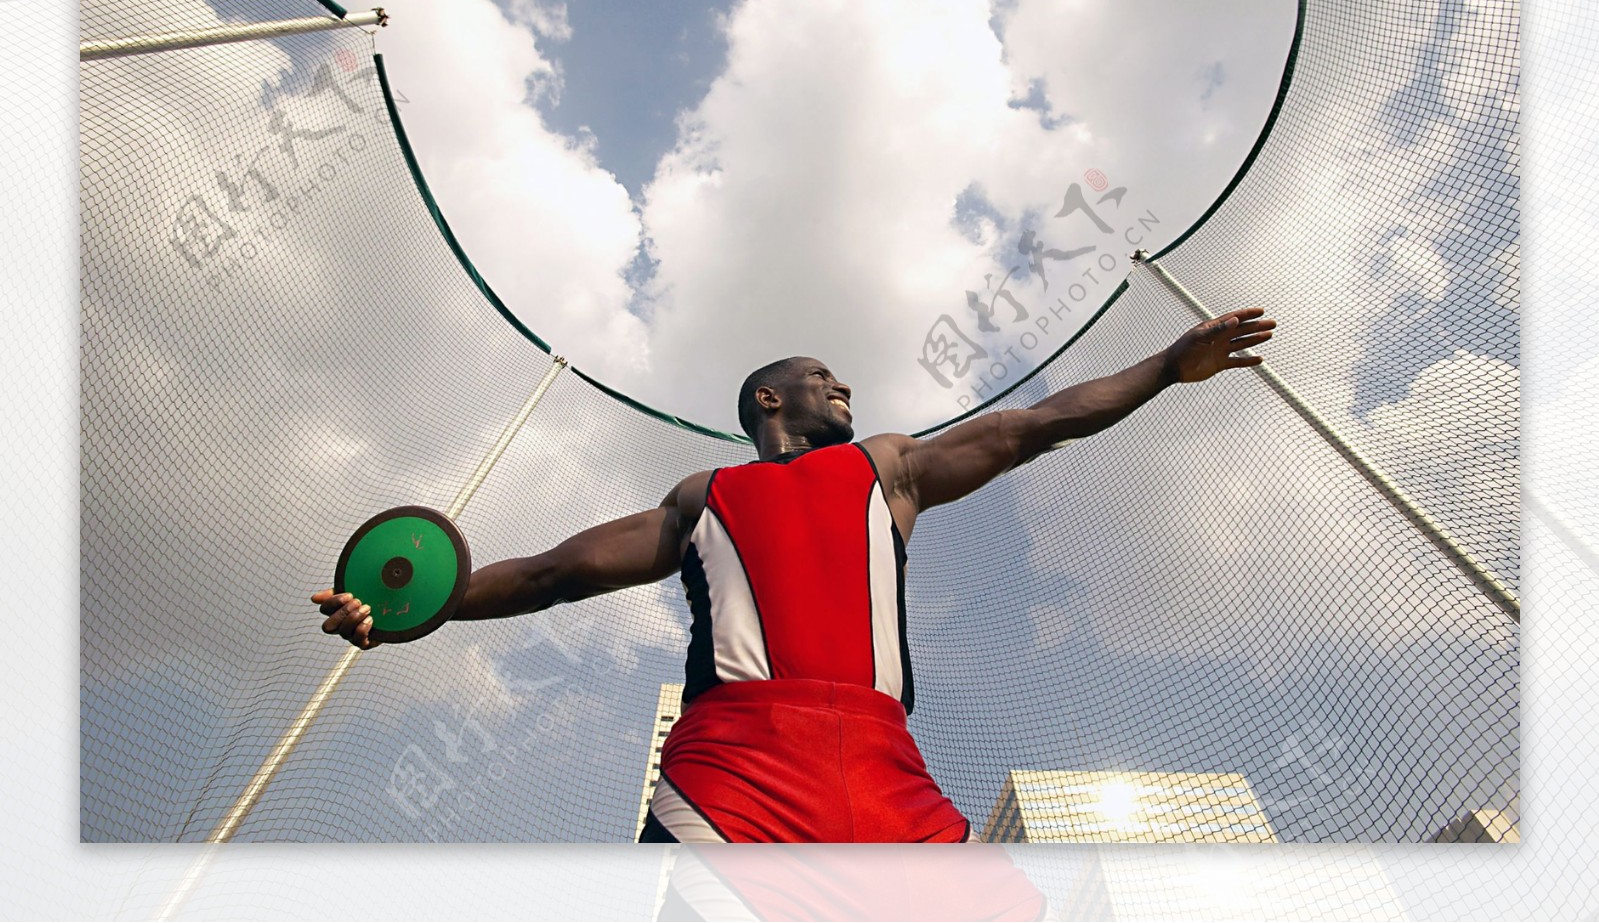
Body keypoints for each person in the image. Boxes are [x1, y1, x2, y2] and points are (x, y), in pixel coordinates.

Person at [314, 307, 1276, 843]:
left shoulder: (888, 467)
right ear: (770, 398)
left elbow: (1031, 426)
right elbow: (551, 574)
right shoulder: (702, 496)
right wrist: (417, 608)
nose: (845, 385)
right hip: (736, 770)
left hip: (885, 768)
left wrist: (1162, 365)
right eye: (825, 375)